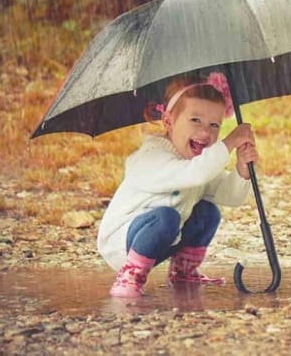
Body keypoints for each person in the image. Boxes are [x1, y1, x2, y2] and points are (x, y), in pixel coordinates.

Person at [97, 72, 258, 298]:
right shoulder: (151, 158)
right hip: (125, 243)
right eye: (195, 120)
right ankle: (130, 275)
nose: (206, 132)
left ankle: (183, 270)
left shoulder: (196, 163)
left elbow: (230, 196)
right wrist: (229, 143)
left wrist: (242, 169)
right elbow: (194, 174)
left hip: (166, 239)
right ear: (168, 121)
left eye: (215, 125)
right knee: (166, 217)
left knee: (208, 212)